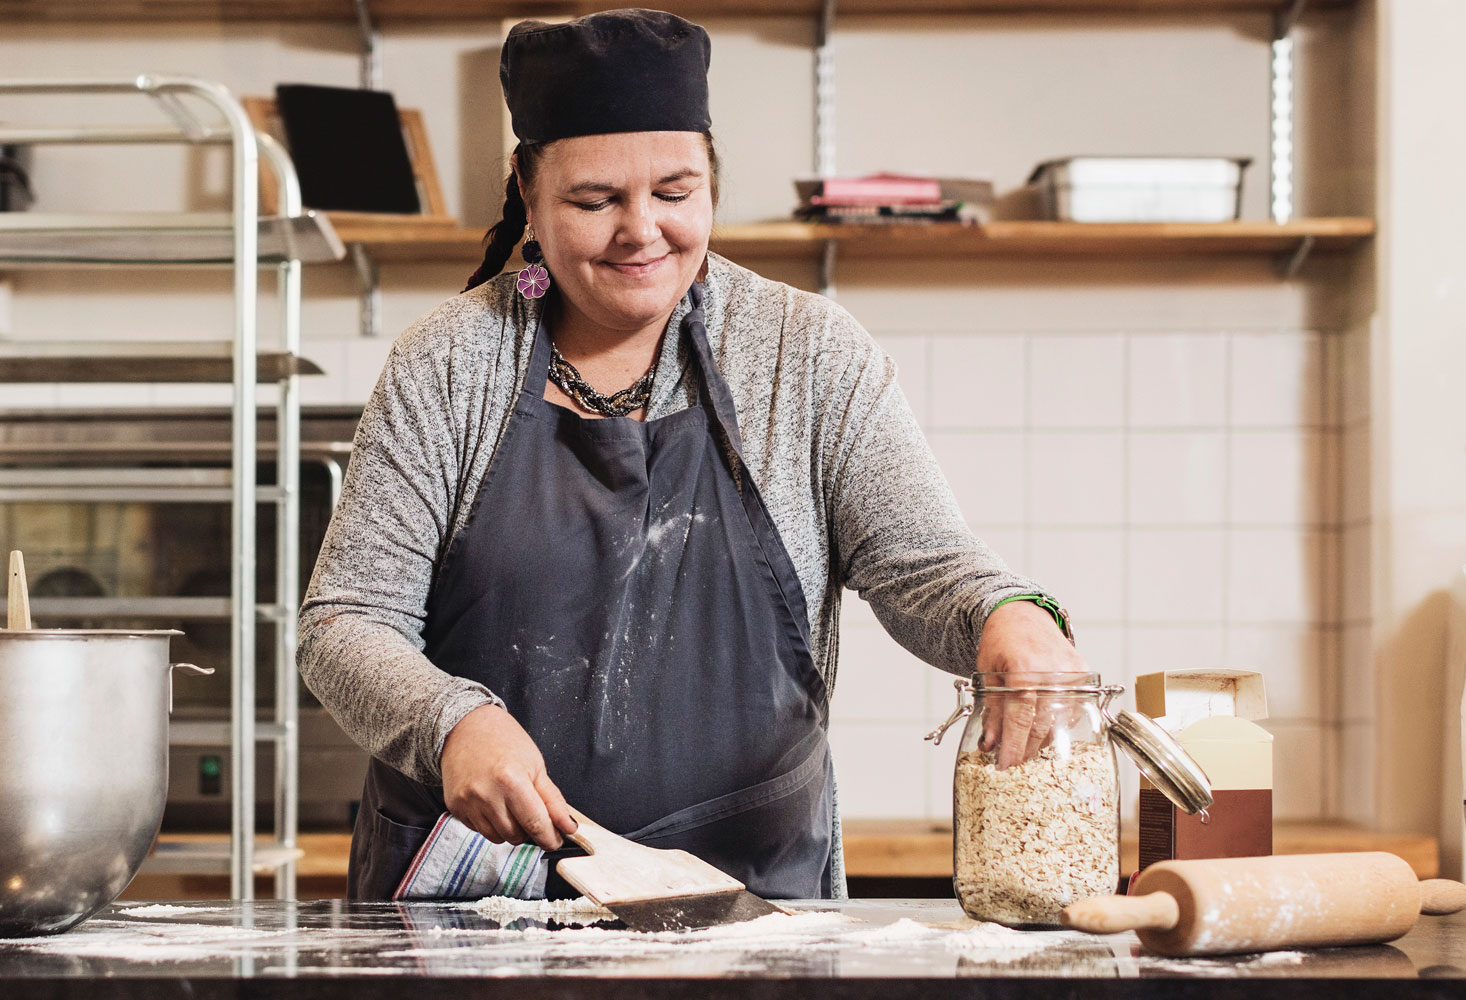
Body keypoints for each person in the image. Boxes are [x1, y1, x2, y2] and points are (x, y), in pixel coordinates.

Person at [298, 8, 1084, 901]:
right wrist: (452, 724)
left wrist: (1005, 615)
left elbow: (926, 566)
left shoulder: (807, 354)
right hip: (480, 904)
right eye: (596, 201)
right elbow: (345, 623)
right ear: (525, 186)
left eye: (675, 193)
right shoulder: (448, 366)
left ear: (712, 177)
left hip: (745, 905)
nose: (642, 232)